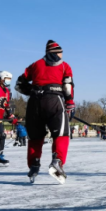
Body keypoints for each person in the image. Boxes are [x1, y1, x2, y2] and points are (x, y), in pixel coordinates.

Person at [15, 41, 74, 183]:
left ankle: (34, 166)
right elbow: (67, 86)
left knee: (35, 137)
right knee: (61, 133)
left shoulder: (35, 65)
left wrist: (34, 91)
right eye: (61, 52)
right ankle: (57, 162)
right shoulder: (65, 66)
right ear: (56, 52)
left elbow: (18, 85)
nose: (62, 55)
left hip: (34, 102)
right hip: (54, 100)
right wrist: (70, 103)